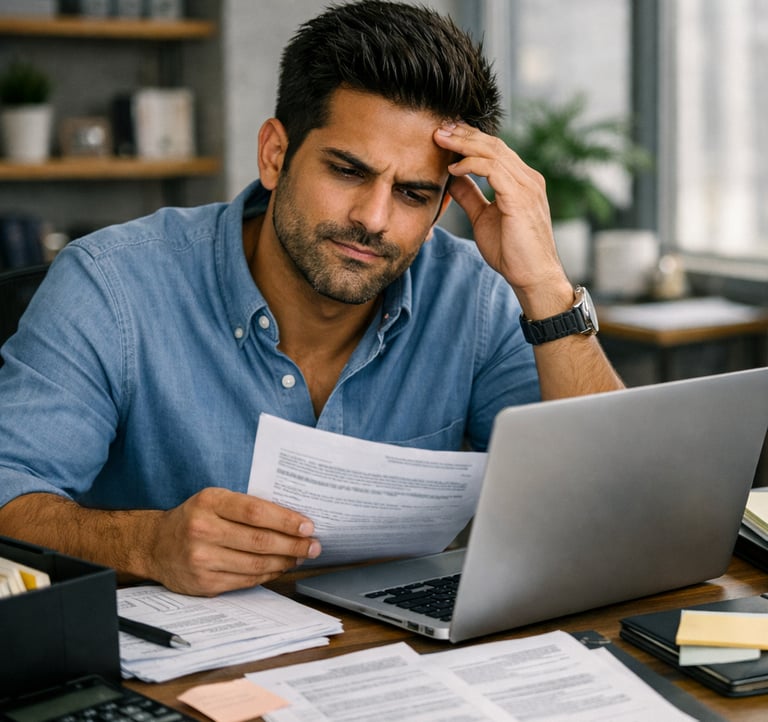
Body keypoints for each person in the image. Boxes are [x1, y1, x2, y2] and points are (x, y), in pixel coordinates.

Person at [0, 0, 623, 596]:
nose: (373, 219)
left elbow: (609, 506)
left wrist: (545, 286)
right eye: (348, 171)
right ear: (276, 155)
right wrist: (146, 545)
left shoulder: (475, 300)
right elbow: (8, 494)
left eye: (411, 193)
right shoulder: (111, 286)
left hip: (400, 666)